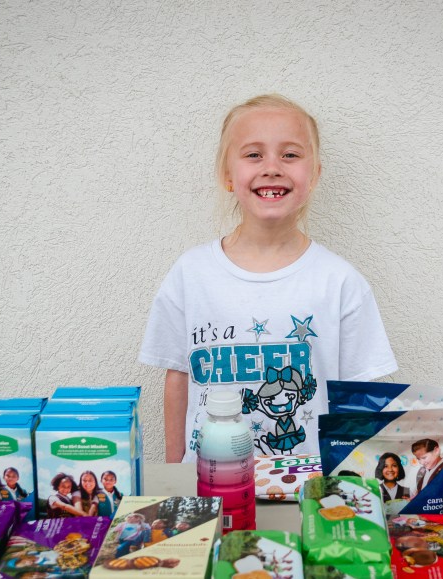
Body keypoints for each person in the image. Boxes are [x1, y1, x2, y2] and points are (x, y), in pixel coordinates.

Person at [140, 94, 398, 462]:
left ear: (314, 175)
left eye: (290, 155)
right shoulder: (190, 273)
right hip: (210, 484)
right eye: (253, 154)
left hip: (308, 491)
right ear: (227, 175)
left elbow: (356, 397)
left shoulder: (340, 281)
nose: (272, 167)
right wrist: (174, 473)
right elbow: (179, 378)